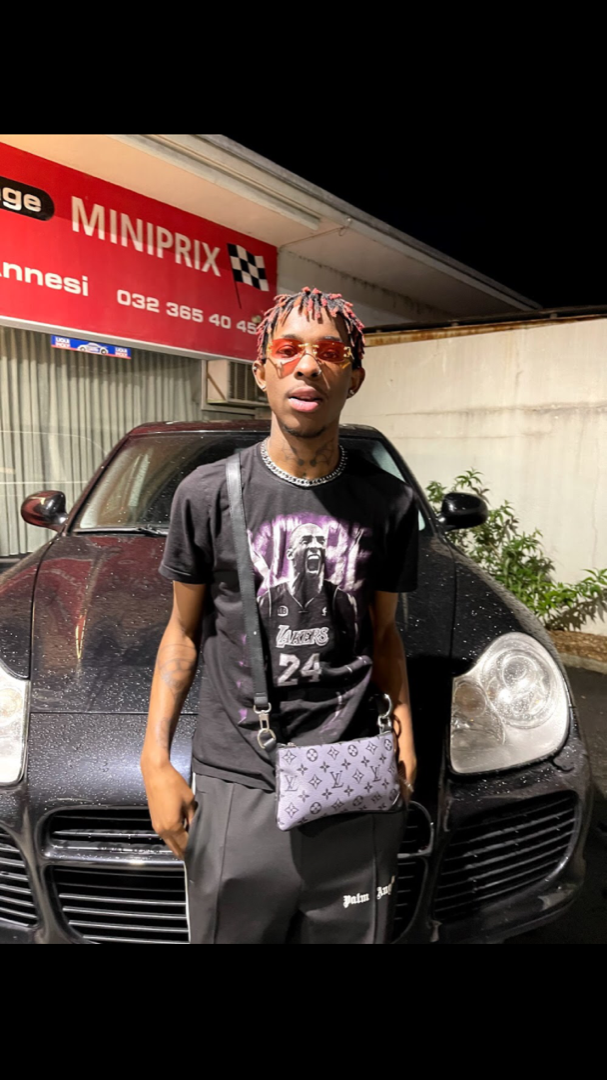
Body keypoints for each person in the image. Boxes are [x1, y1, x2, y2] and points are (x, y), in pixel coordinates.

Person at [141, 286, 419, 944]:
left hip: (355, 780)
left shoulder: (389, 504)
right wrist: (155, 760)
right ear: (261, 370)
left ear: (353, 376)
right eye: (288, 348)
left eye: (330, 352)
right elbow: (183, 633)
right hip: (240, 786)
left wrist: (404, 734)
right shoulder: (207, 495)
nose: (308, 365)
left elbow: (382, 634)